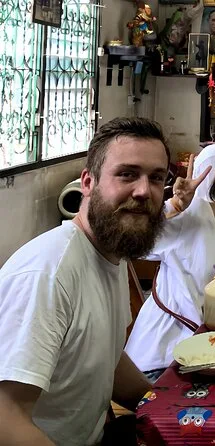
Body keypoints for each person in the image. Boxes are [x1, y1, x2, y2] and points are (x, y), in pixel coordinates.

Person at [0, 117, 170, 444]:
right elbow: (5, 418)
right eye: (127, 174)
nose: (143, 191)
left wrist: (163, 409)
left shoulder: (111, 251)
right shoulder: (48, 274)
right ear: (88, 183)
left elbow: (107, 359)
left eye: (156, 178)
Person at [125, 142, 215, 377]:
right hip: (162, 359)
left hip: (207, 354)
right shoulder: (192, 213)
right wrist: (175, 205)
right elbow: (134, 242)